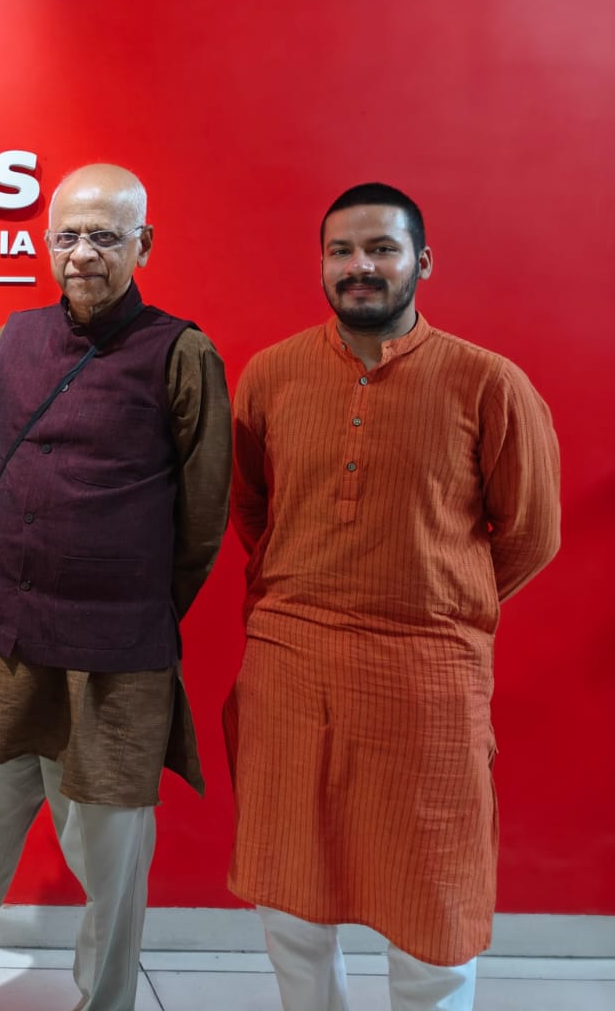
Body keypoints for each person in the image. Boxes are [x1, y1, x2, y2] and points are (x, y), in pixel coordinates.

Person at [225, 182, 561, 1011]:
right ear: (322, 264)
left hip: (427, 678)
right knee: (290, 892)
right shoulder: (272, 375)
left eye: (381, 249)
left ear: (422, 261)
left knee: (433, 899)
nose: (360, 267)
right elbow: (252, 508)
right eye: (341, 251)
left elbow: (531, 533)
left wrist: (435, 599)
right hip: (291, 667)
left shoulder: (486, 382)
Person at [0, 164, 231, 1011]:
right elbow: (7, 474)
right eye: (68, 236)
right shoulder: (12, 341)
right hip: (4, 645)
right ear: (47, 242)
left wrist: (121, 599)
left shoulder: (182, 354)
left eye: (105, 237)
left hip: (117, 662)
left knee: (112, 871)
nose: (83, 254)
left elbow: (201, 524)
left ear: (143, 245)